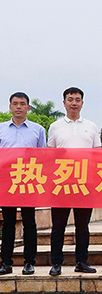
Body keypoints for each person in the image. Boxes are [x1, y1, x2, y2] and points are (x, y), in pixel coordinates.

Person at [48, 87, 101, 276]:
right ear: (64, 103)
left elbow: (97, 154)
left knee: (82, 226)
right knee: (58, 226)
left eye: (77, 99)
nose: (74, 103)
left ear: (82, 103)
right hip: (61, 183)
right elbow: (50, 155)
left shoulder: (91, 126)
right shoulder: (55, 126)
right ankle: (56, 263)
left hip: (84, 183)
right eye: (70, 99)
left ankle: (82, 261)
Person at [0, 92, 46, 276]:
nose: (18, 107)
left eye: (22, 103)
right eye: (15, 103)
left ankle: (29, 262)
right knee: (8, 222)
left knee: (29, 222)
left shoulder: (38, 130)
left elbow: (43, 157)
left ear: (28, 107)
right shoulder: (1, 129)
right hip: (7, 182)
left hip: (29, 180)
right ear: (10, 107)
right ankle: (6, 262)